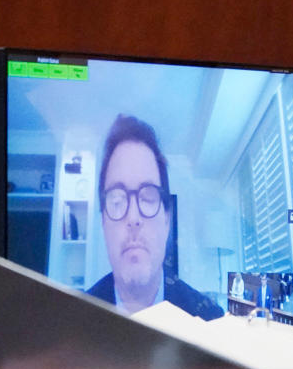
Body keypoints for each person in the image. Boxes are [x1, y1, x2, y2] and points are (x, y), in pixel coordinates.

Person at [86, 114, 223, 319]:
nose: (133, 218)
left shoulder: (210, 320)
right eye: (116, 201)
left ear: (167, 219)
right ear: (103, 222)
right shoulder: (72, 323)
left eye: (148, 197)